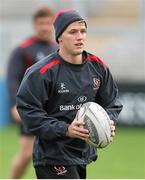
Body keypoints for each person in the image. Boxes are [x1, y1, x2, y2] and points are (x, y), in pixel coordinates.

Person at [16, 9, 123, 179]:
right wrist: (66, 129)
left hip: (81, 155)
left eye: (83, 31)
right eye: (72, 32)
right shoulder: (42, 72)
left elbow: (113, 103)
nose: (79, 36)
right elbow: (29, 112)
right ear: (59, 37)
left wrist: (108, 121)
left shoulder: (97, 66)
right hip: (52, 158)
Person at [7, 6, 58, 179]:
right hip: (30, 108)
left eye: (48, 23)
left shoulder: (58, 49)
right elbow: (13, 78)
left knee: (57, 155)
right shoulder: (23, 49)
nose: (44, 27)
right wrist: (16, 104)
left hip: (53, 109)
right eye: (40, 23)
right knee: (27, 154)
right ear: (34, 25)